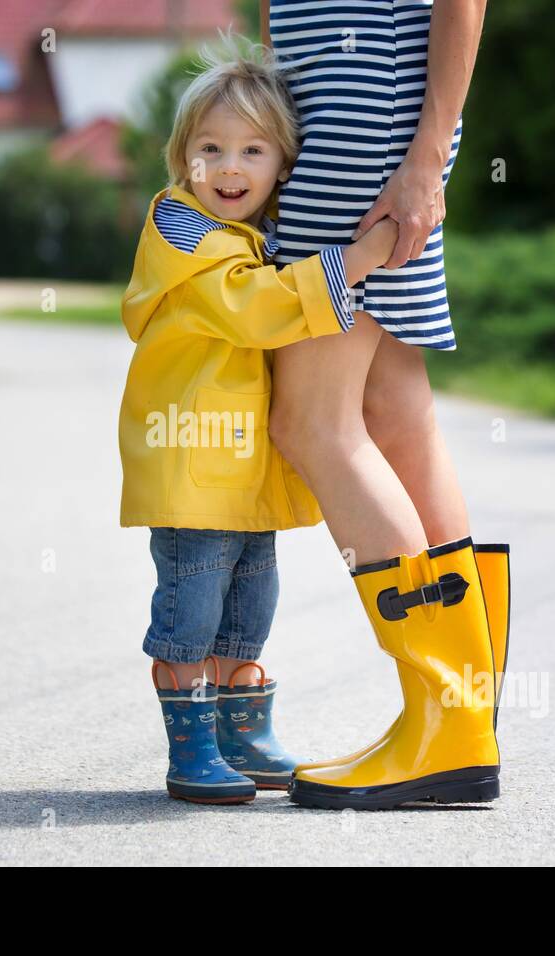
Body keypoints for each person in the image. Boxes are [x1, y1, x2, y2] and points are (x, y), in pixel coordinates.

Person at [117, 44, 400, 803]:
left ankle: (242, 728)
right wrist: (359, 259)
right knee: (194, 605)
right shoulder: (183, 230)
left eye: (252, 149)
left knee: (251, 600)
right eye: (209, 149)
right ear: (183, 161)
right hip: (191, 462)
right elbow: (252, 306)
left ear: (282, 164)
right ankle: (192, 744)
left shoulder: (258, 234)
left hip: (239, 467)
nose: (228, 167)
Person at [260, 0, 513, 809]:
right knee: (394, 416)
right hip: (347, 117)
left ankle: (447, 718)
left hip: (361, 128)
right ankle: (458, 716)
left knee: (313, 422)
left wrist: (428, 153)